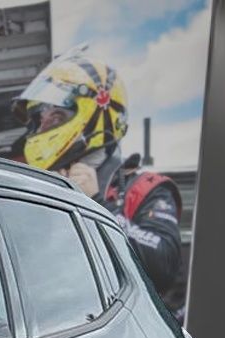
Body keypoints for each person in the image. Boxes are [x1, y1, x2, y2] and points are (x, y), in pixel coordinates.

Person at [13, 47, 184, 304]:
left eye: (54, 116)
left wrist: (97, 205)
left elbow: (165, 267)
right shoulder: (38, 188)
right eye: (39, 120)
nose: (43, 127)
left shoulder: (145, 188)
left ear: (96, 114)